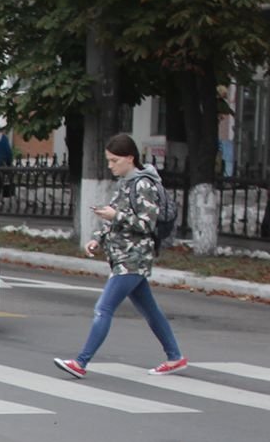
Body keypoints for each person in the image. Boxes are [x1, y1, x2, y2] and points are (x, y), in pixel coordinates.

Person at [53, 132, 187, 380]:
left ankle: (81, 362)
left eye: (115, 160)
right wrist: (98, 237)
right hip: (124, 256)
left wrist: (116, 217)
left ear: (129, 158)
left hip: (133, 257)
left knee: (103, 308)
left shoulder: (143, 184)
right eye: (109, 160)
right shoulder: (125, 182)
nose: (110, 165)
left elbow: (146, 224)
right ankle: (175, 357)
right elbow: (114, 215)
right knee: (151, 311)